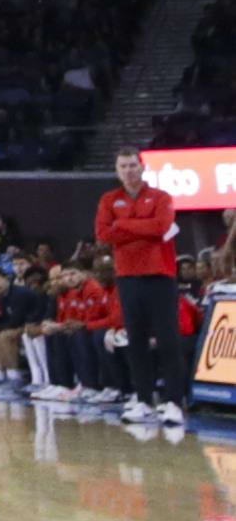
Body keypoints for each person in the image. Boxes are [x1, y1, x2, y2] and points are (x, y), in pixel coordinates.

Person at [98, 150, 186, 428]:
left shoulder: (161, 197)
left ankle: (173, 402)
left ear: (142, 167)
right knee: (135, 340)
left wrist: (123, 225)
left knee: (168, 340)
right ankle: (144, 401)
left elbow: (162, 226)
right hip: (127, 277)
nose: (129, 171)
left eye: (133, 165)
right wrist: (141, 229)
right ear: (117, 170)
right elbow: (103, 234)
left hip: (160, 276)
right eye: (123, 166)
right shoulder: (109, 199)